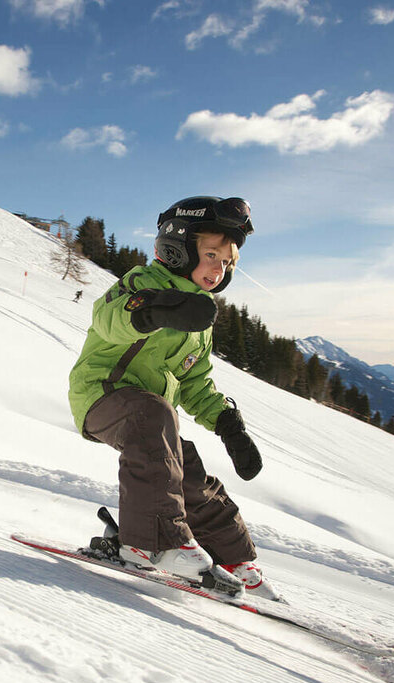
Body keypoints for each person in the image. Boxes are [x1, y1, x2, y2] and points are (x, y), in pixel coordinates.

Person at [68, 196, 279, 600]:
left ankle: (232, 558)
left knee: (187, 468)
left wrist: (230, 427)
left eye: (228, 262)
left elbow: (196, 381)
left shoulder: (201, 320)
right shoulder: (143, 285)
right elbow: (107, 319)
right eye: (211, 255)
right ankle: (151, 542)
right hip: (100, 394)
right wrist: (153, 312)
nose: (219, 269)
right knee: (154, 414)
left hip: (150, 417)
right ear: (176, 250)